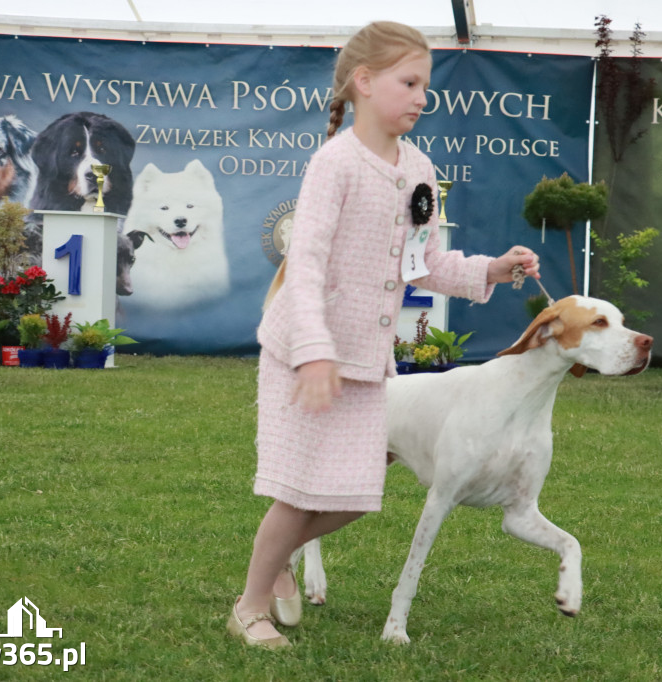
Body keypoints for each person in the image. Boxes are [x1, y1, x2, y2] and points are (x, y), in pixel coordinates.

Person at [228, 20, 541, 649]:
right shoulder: (334, 164)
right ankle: (250, 605)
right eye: (409, 82)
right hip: (304, 357)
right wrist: (315, 354)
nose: (422, 96)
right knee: (297, 493)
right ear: (365, 83)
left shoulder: (420, 169)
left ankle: (281, 563)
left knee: (353, 495)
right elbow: (307, 264)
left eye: (426, 84)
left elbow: (423, 263)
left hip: (368, 364)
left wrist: (491, 270)